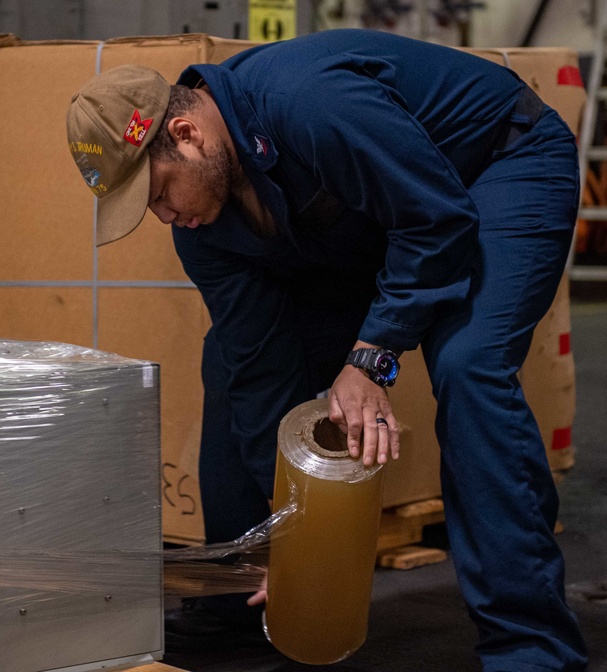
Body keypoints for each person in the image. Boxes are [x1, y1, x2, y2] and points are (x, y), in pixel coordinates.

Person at [65, 28, 588, 671]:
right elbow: (260, 367)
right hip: (382, 215)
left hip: (494, 168)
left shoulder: (307, 100)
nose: (165, 218)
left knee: (468, 363)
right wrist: (294, 539)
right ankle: (240, 602)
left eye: (157, 195)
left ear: (186, 135)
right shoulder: (208, 231)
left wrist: (372, 358)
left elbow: (435, 219)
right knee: (231, 365)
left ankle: (528, 643)